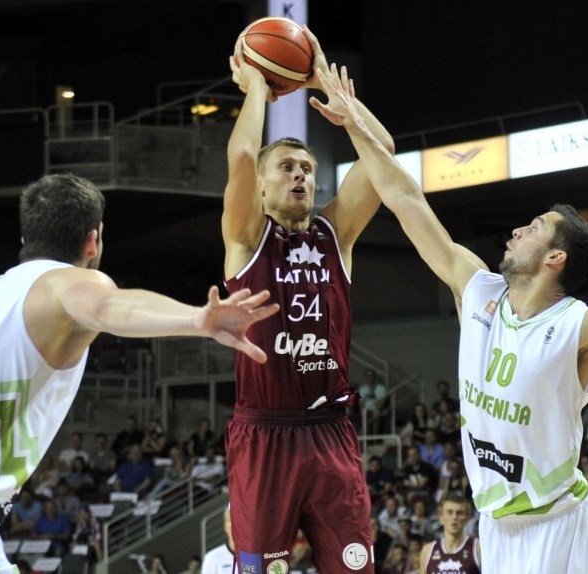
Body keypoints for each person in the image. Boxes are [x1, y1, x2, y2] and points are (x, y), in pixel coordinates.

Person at [311, 62, 588, 574]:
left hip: (556, 521)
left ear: (556, 258)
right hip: (495, 523)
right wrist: (354, 124)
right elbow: (403, 197)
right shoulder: (475, 288)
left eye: (533, 228)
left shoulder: (583, 328)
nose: (516, 231)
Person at [0, 173, 278, 574]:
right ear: (93, 241)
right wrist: (196, 319)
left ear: (25, 238)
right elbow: (107, 306)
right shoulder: (66, 284)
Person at [221, 26, 393, 574]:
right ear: (261, 186)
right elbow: (242, 154)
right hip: (264, 433)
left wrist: (330, 89)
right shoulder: (246, 239)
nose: (300, 175)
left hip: (330, 432)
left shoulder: (333, 234)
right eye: (286, 168)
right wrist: (257, 86)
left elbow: (383, 154)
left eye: (308, 169)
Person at [419, 495, 481, 574]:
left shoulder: (478, 548)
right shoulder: (428, 550)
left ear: (467, 518)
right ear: (441, 517)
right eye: (449, 512)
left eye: (459, 513)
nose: (454, 517)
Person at [202, 506, 238, 574]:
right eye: (232, 520)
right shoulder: (212, 559)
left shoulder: (256, 556)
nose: (236, 524)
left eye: (241, 520)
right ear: (225, 526)